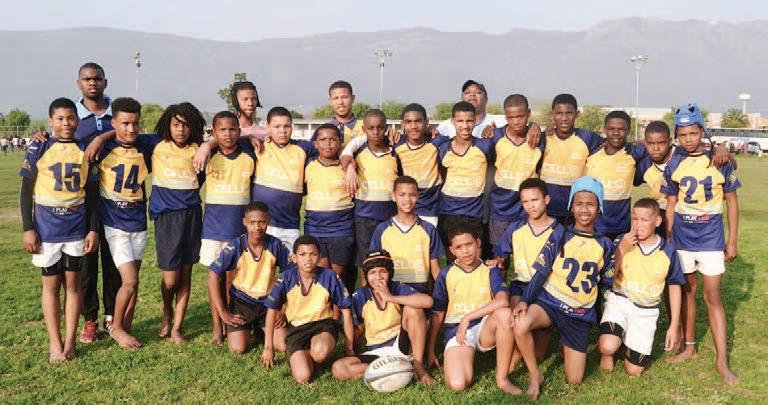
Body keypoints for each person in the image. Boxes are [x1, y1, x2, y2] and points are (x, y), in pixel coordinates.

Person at [512, 176, 613, 399]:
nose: (584, 209)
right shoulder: (560, 234)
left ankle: (565, 344)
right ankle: (535, 374)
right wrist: (525, 300)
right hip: (550, 303)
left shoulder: (605, 244)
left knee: (574, 380)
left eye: (590, 204)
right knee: (520, 324)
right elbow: (542, 270)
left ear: (599, 208)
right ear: (571, 206)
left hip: (578, 313)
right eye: (579, 204)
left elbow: (608, 283)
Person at [662, 103, 741, 385]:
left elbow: (732, 201)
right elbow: (671, 203)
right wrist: (669, 237)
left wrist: (732, 240)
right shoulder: (674, 163)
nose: (688, 139)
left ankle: (722, 361)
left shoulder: (719, 160)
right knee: (687, 292)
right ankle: (690, 347)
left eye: (693, 133)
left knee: (712, 297)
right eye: (682, 135)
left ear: (702, 132)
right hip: (683, 237)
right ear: (677, 136)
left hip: (710, 238)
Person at [20, 98, 99, 362]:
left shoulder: (85, 149)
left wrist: (92, 229)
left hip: (75, 227)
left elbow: (92, 195)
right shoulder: (40, 146)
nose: (66, 123)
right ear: (51, 121)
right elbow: (25, 190)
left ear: (78, 120)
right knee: (51, 285)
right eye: (60, 119)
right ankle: (55, 342)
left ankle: (70, 341)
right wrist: (28, 228)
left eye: (71, 118)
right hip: (47, 228)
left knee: (74, 285)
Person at [91, 97, 154, 350]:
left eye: (135, 123)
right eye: (125, 123)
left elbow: (174, 137)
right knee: (130, 281)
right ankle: (116, 327)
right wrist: (101, 138)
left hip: (138, 223)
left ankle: (126, 326)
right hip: (114, 224)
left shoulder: (145, 146)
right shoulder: (103, 148)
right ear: (114, 123)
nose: (131, 129)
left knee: (134, 281)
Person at [428, 224, 518, 394]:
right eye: (459, 247)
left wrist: (467, 317)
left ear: (478, 243)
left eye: (469, 244)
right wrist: (431, 349)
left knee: (505, 314)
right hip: (457, 332)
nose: (465, 251)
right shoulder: (445, 274)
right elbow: (438, 314)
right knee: (458, 384)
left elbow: (503, 300)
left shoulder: (490, 270)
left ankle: (502, 379)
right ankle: (460, 357)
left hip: (485, 327)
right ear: (451, 250)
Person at [598, 198, 684, 376]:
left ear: (657, 221)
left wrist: (674, 325)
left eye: (644, 220)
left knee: (634, 370)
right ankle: (609, 351)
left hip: (646, 312)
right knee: (607, 346)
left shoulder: (668, 251)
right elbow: (608, 277)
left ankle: (626, 339)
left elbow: (674, 287)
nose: (638, 225)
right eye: (635, 219)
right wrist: (622, 249)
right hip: (619, 302)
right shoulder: (622, 240)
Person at [261, 235, 355, 384]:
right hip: (297, 330)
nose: (308, 259)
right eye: (302, 254)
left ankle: (316, 354)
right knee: (302, 377)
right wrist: (268, 347)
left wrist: (349, 348)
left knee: (320, 353)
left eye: (313, 254)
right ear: (294, 258)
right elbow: (271, 311)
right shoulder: (285, 278)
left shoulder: (329, 276)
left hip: (323, 325)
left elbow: (346, 311)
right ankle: (306, 355)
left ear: (319, 256)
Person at [331, 250, 435, 385]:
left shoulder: (397, 288)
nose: (378, 277)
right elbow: (356, 328)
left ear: (390, 273)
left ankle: (418, 365)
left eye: (383, 271)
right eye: (372, 273)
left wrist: (390, 297)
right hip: (378, 354)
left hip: (400, 346)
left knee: (413, 309)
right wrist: (350, 351)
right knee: (339, 368)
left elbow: (428, 301)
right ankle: (396, 370)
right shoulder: (360, 296)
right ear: (366, 276)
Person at [149, 103, 206, 344]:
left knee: (185, 274)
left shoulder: (199, 149)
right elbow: (121, 135)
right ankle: (167, 310)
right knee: (171, 279)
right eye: (175, 125)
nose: (180, 130)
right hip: (166, 219)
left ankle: (177, 329)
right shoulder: (155, 145)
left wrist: (207, 145)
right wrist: (100, 139)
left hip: (191, 216)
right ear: (168, 125)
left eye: (185, 125)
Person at [487, 178, 560, 367]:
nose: (530, 206)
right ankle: (514, 353)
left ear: (546, 200)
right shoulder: (516, 228)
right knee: (515, 320)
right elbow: (500, 254)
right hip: (520, 286)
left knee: (538, 356)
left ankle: (544, 330)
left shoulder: (559, 231)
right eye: (525, 201)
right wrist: (497, 261)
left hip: (547, 288)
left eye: (534, 200)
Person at [199, 111, 256, 343]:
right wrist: (206, 146)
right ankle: (216, 325)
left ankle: (231, 322)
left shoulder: (250, 155)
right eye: (222, 130)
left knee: (233, 280)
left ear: (239, 131)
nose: (228, 134)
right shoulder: (208, 155)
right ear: (214, 132)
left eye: (232, 129)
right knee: (215, 277)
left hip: (239, 230)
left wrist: (250, 137)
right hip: (213, 230)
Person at [341, 103, 447, 226]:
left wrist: (432, 131)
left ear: (426, 122)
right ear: (402, 124)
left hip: (430, 211)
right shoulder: (396, 142)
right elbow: (367, 138)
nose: (413, 126)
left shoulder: (437, 141)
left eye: (418, 121)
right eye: (408, 122)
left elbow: (455, 143)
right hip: (402, 210)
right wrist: (348, 158)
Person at [208, 201, 291, 354]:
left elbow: (291, 276)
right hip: (242, 303)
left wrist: (283, 309)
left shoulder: (276, 245)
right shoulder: (236, 246)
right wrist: (222, 311)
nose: (257, 227)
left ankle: (260, 329)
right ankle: (250, 329)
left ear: (268, 221)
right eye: (252, 223)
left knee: (282, 346)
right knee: (238, 348)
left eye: (262, 222)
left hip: (268, 303)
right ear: (245, 222)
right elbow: (213, 275)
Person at [76, 62, 120, 343]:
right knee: (87, 264)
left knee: (115, 262)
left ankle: (112, 317)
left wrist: (103, 137)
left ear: (105, 82)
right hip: (84, 200)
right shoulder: (73, 116)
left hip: (117, 199)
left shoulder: (119, 114)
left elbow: (130, 132)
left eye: (97, 78)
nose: (92, 83)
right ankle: (90, 319)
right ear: (79, 83)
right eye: (87, 79)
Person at [340, 109, 402, 277]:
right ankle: (366, 293)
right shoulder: (358, 150)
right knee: (366, 262)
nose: (375, 132)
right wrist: (350, 167)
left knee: (389, 261)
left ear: (386, 128)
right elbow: (344, 157)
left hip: (390, 216)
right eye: (371, 128)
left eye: (380, 128)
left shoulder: (395, 151)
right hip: (364, 217)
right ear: (364, 129)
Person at [436, 101, 494, 261]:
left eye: (469, 121)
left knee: (474, 260)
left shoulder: (485, 146)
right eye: (460, 121)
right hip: (448, 212)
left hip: (474, 213)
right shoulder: (443, 148)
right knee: (453, 260)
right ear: (453, 121)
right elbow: (443, 174)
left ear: (475, 121)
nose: (465, 126)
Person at [251, 107, 314, 250]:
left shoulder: (303, 147)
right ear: (267, 127)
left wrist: (349, 166)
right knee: (261, 263)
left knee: (289, 263)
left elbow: (328, 148)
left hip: (289, 225)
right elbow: (234, 134)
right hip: (262, 224)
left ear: (292, 126)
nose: (282, 131)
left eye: (286, 126)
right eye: (277, 126)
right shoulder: (259, 145)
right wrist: (250, 136)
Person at [488, 94, 545, 247]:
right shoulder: (495, 136)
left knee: (528, 252)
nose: (515, 121)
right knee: (500, 254)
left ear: (528, 113)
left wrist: (535, 125)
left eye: (520, 116)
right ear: (505, 117)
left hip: (528, 208)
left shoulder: (539, 138)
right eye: (511, 117)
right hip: (501, 207)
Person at [369, 176, 444, 294]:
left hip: (420, 292)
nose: (407, 199)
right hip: (391, 291)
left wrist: (443, 294)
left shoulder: (428, 229)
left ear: (418, 196)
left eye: (412, 195)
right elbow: (374, 265)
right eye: (402, 195)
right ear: (394, 196)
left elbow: (435, 267)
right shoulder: (382, 229)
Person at [303, 124, 356, 291]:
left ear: (340, 142)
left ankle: (338, 307)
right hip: (315, 228)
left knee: (338, 277)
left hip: (341, 229)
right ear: (315, 143)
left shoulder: (347, 167)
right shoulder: (308, 164)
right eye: (323, 140)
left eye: (333, 139)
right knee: (321, 276)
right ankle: (324, 306)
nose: (328, 143)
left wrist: (351, 166)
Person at [538, 94, 603, 224]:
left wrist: (641, 143)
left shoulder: (588, 138)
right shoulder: (543, 137)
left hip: (574, 211)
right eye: (559, 113)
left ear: (577, 114)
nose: (564, 118)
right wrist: (533, 125)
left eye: (569, 113)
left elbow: (613, 143)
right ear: (552, 114)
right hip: (546, 209)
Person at [584, 110, 647, 240]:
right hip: (593, 224)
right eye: (611, 129)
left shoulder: (634, 152)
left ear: (628, 130)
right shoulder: (592, 150)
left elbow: (655, 145)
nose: (616, 133)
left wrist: (644, 141)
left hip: (621, 225)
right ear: (604, 129)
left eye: (621, 129)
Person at [436, 80, 504, 138]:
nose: (472, 95)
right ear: (462, 98)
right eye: (467, 92)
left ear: (486, 99)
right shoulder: (445, 127)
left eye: (478, 92)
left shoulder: (501, 122)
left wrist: (497, 134)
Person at [318, 80, 366, 146]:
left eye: (344, 97)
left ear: (353, 98)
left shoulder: (366, 127)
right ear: (330, 101)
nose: (340, 102)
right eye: (336, 98)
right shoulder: (323, 130)